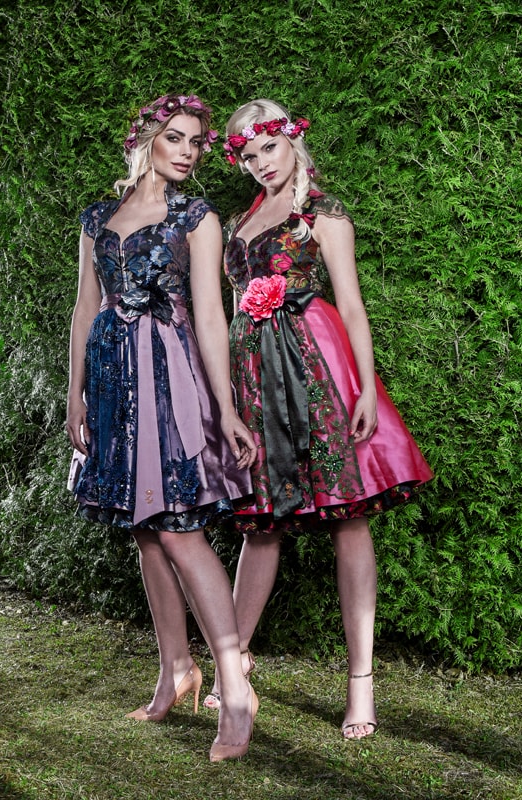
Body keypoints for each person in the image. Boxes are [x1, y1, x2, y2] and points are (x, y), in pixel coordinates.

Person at [209, 99, 434, 740]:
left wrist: (366, 390)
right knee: (261, 523)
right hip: (257, 377)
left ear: (292, 142)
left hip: (317, 368)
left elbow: (352, 306)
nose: (260, 163)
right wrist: (230, 398)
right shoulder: (238, 222)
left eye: (268, 148)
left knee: (348, 519)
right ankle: (234, 662)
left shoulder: (323, 213)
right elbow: (232, 313)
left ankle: (361, 683)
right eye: (248, 155)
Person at [66, 94, 259, 761]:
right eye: (176, 137)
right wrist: (74, 395)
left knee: (179, 529)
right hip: (113, 383)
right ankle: (176, 669)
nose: (187, 150)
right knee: (146, 531)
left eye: (196, 141)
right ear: (146, 138)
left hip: (171, 381)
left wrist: (226, 408)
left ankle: (234, 686)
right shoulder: (97, 218)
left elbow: (210, 317)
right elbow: (85, 308)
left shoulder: (197, 217)